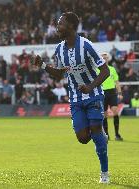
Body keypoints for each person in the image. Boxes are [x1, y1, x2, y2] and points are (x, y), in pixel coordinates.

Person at [34, 12, 110, 184]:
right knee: (83, 138)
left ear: (71, 26)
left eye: (60, 23)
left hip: (93, 95)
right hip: (76, 98)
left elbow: (105, 71)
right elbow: (60, 73)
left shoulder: (86, 45)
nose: (57, 26)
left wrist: (90, 86)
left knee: (96, 131)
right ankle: (101, 135)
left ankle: (104, 173)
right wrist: (43, 65)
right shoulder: (59, 49)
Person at [97, 52, 123, 141]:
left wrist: (119, 93)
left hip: (112, 92)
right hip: (102, 93)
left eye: (106, 57)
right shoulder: (97, 70)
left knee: (115, 111)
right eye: (103, 57)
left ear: (108, 59)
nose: (105, 59)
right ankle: (106, 135)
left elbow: (117, 82)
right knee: (104, 114)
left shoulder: (112, 69)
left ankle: (117, 134)